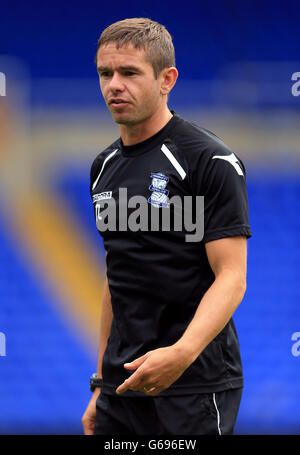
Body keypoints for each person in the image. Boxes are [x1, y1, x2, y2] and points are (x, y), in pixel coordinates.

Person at [81, 17, 252, 436]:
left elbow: (232, 275)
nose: (114, 85)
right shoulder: (103, 167)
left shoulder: (208, 160)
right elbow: (115, 277)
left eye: (129, 73)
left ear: (166, 79)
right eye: (106, 73)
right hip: (123, 385)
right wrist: (102, 383)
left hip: (194, 382)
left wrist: (181, 353)